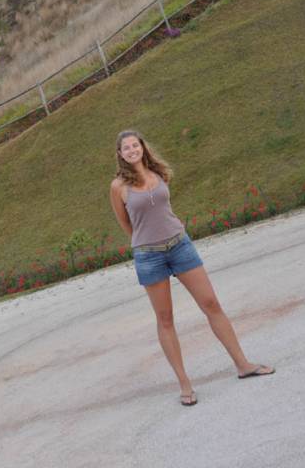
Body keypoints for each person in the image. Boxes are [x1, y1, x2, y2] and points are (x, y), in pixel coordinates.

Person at [109, 129, 275, 406]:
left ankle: (243, 364)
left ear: (142, 147)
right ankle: (185, 385)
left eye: (135, 145)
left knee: (211, 303)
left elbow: (164, 210)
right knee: (165, 319)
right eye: (126, 148)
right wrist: (145, 241)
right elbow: (127, 225)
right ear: (120, 154)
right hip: (149, 256)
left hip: (179, 246)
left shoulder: (158, 172)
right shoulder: (118, 187)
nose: (131, 150)